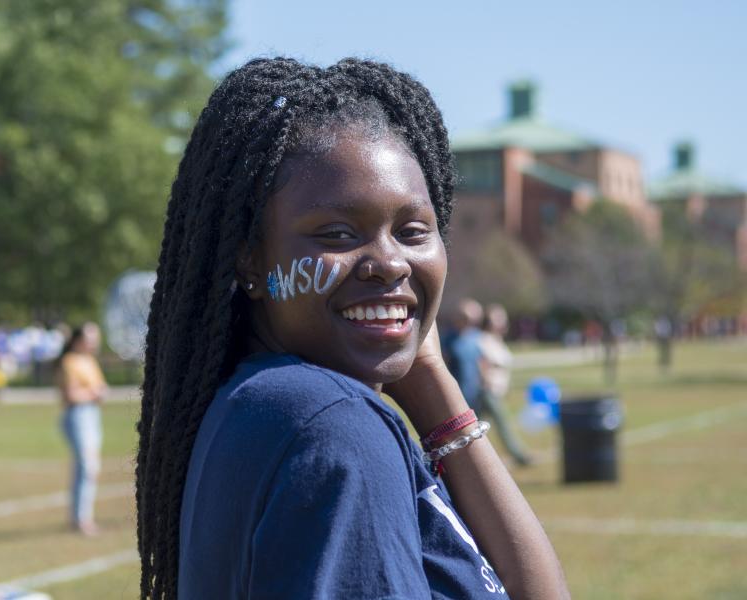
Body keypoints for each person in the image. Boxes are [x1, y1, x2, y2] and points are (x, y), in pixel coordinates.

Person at [136, 58, 569, 599]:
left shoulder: (259, 402)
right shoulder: (332, 427)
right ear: (249, 260)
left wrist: (433, 384)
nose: (389, 263)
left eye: (413, 231)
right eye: (338, 234)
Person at [57, 322, 107, 536]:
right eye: (90, 338)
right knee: (87, 467)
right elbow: (70, 396)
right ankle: (81, 520)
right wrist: (94, 394)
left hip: (91, 415)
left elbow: (99, 388)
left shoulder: (90, 361)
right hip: (78, 416)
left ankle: (82, 517)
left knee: (90, 469)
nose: (95, 342)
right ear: (78, 340)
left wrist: (98, 393)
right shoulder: (70, 361)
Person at [478, 304, 532, 466]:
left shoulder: (498, 340)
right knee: (502, 423)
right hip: (488, 391)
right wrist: (487, 382)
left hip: (497, 390)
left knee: (478, 427)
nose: (503, 322)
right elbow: (482, 363)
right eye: (498, 318)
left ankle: (472, 456)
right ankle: (519, 455)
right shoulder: (483, 339)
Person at [448, 298, 487, 413]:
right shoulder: (448, 338)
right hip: (456, 390)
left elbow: (481, 360)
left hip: (474, 389)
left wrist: (485, 381)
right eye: (465, 318)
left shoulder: (477, 336)